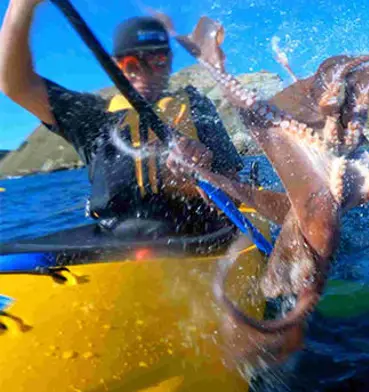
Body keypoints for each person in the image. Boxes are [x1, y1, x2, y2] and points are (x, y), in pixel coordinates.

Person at [0, 1, 243, 237]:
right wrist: (23, 4)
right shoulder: (93, 116)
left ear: (169, 61)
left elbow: (237, 194)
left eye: (157, 62)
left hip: (199, 238)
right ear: (117, 66)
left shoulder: (196, 106)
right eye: (132, 64)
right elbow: (16, 84)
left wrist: (200, 176)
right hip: (115, 242)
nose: (145, 74)